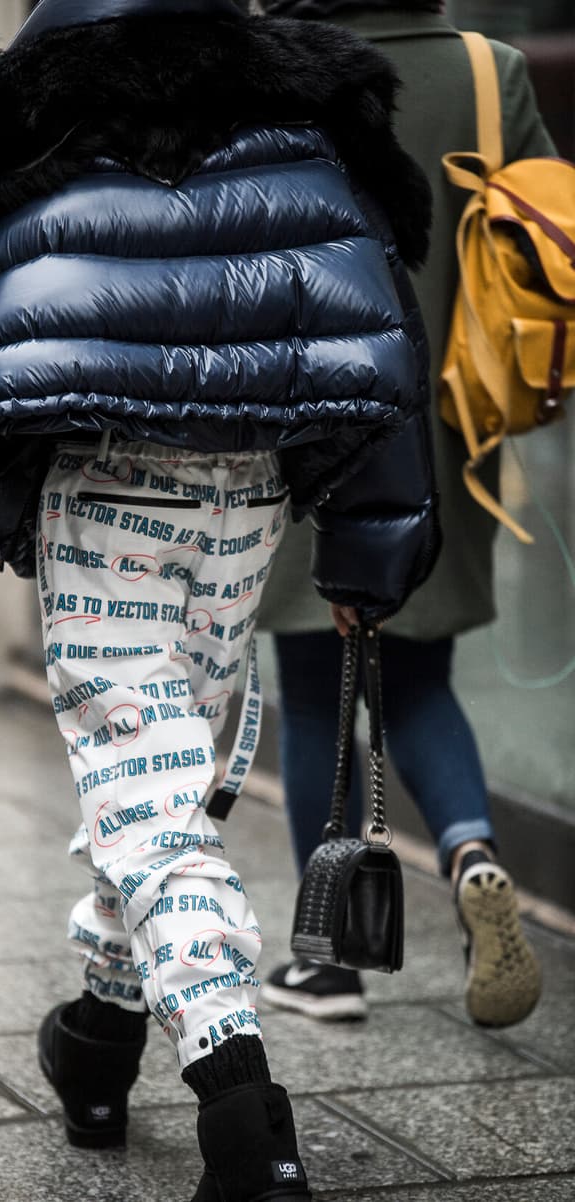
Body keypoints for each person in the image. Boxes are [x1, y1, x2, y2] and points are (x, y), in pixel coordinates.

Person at [0, 0, 441, 1196]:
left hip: (104, 478)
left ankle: (242, 1108)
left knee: (152, 796)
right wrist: (365, 555)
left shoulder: (15, 115)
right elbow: (375, 318)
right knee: (164, 777)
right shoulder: (295, 105)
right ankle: (97, 1038)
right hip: (244, 494)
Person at [256, 0, 549, 1031]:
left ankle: (326, 964)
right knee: (418, 676)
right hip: (447, 428)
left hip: (312, 416)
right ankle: (469, 847)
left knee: (307, 685)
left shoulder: (275, 68)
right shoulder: (488, 69)